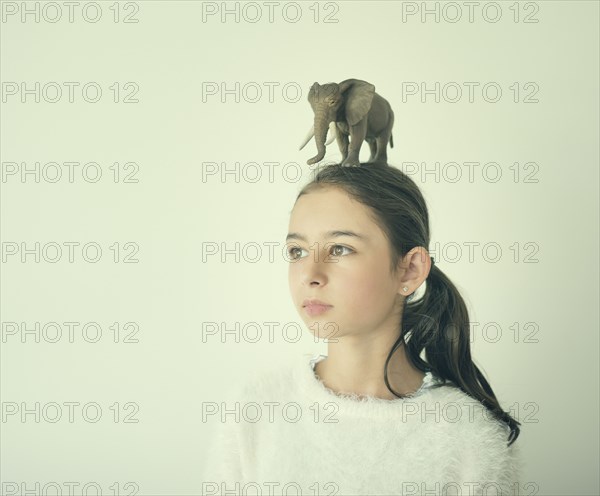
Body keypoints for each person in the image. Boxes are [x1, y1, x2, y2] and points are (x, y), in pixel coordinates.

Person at [201, 161, 523, 496]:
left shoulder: (470, 437)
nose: (310, 273)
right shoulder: (254, 409)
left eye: (340, 248)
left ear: (410, 270)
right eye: (297, 251)